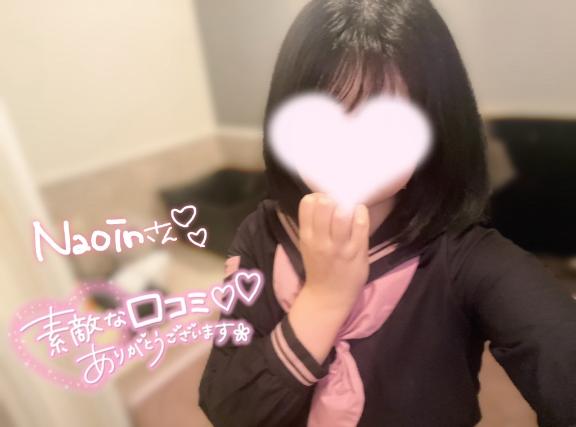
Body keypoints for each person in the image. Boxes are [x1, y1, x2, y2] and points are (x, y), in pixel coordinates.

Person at [198, 0, 576, 426]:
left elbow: (557, 346)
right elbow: (228, 407)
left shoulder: (465, 257)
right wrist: (324, 298)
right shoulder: (261, 234)